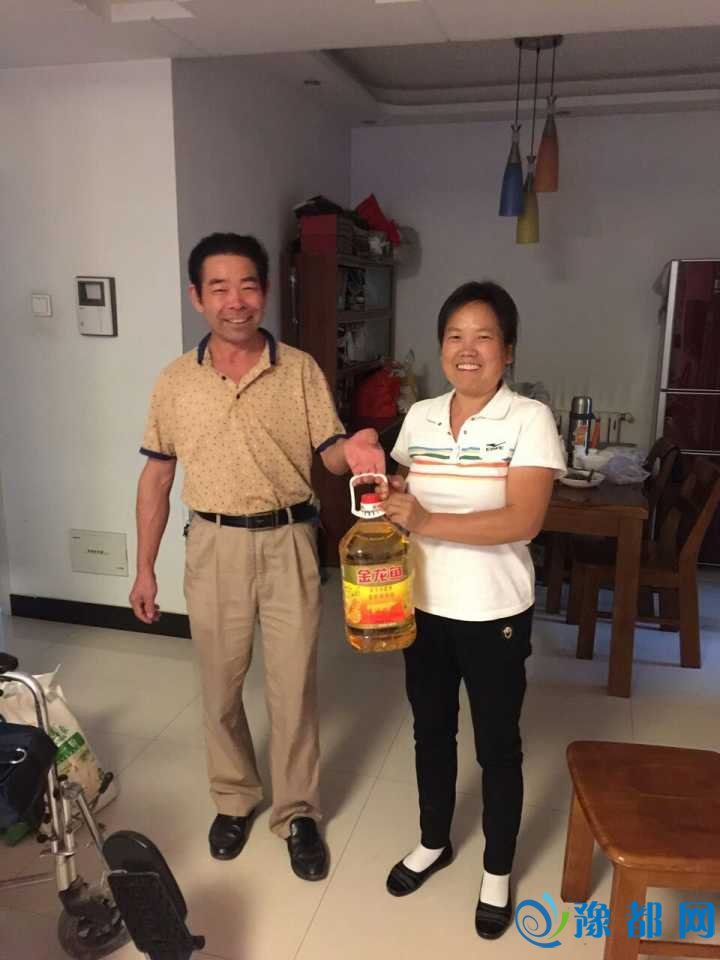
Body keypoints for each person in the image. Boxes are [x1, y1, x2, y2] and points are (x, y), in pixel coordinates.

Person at [129, 233, 384, 881]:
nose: (235, 300)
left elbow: (329, 454)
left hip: (289, 540)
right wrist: (144, 568)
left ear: (265, 292)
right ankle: (235, 797)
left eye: (247, 285)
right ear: (197, 297)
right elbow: (157, 477)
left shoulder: (298, 369)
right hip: (212, 544)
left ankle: (298, 812)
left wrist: (353, 451)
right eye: (219, 287)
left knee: (294, 687)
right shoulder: (175, 381)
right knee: (219, 686)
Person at [380, 281, 564, 938]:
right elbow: (401, 486)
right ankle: (433, 841)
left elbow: (524, 519)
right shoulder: (421, 416)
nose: (468, 349)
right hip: (422, 606)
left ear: (507, 350)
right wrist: (385, 489)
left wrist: (426, 519)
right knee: (431, 730)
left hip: (495, 612)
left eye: (484, 337)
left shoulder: (529, 419)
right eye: (455, 335)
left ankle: (497, 869)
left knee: (497, 745)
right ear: (441, 347)